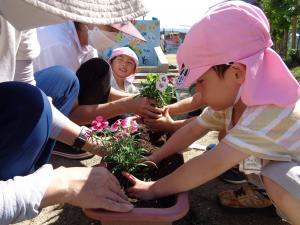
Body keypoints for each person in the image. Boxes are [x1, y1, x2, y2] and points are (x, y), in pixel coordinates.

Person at [123, 2, 300, 224]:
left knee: (279, 179)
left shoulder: (267, 111)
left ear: (236, 73)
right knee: (231, 142)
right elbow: (192, 130)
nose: (198, 91)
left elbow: (210, 164)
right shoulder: (237, 99)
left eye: (202, 81)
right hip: (282, 159)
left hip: (293, 172)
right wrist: (155, 157)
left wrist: (154, 189)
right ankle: (262, 192)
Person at [0, 0, 148, 224]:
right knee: (60, 81)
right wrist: (57, 185)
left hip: (17, 107)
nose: (118, 36)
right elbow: (62, 106)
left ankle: (28, 163)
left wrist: (90, 140)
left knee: (33, 97)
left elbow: (34, 96)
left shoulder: (23, 23)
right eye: (115, 28)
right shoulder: (55, 41)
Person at [33, 21, 162, 159]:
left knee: (100, 69)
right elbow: (72, 114)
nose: (115, 35)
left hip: (57, 102)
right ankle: (61, 141)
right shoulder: (60, 43)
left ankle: (78, 133)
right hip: (36, 112)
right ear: (87, 21)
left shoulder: (87, 45)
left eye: (118, 31)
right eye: (112, 28)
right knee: (67, 77)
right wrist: (127, 105)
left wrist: (137, 98)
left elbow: (103, 90)